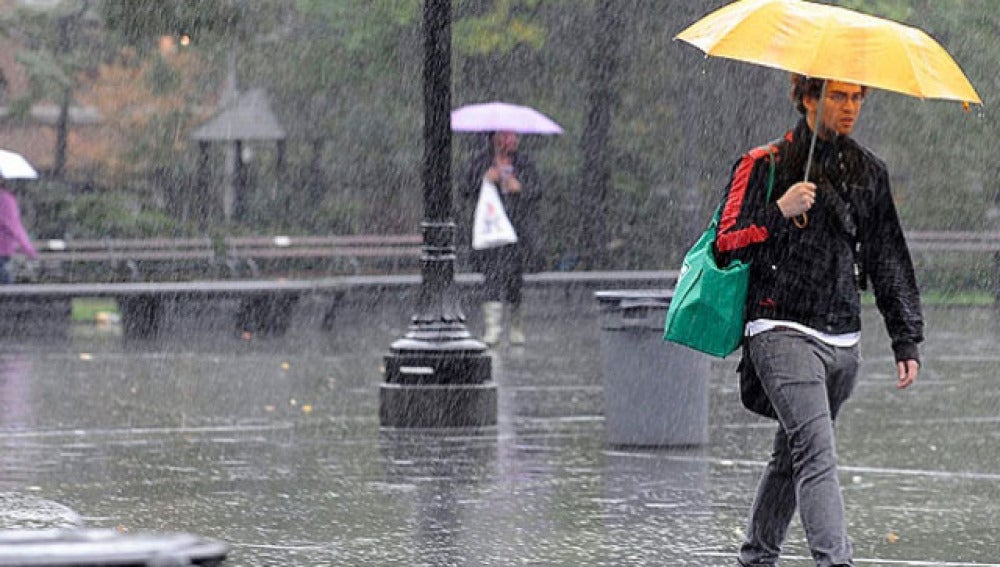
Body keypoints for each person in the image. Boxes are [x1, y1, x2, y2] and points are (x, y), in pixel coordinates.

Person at [714, 75, 924, 567]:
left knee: (792, 453)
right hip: (779, 329)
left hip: (842, 338)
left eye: (856, 97)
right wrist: (778, 212)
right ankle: (836, 561)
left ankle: (756, 554)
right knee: (816, 453)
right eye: (837, 96)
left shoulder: (868, 171)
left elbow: (887, 256)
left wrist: (906, 338)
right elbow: (725, 244)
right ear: (808, 98)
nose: (849, 107)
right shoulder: (765, 163)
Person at [462, 130, 542, 346]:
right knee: (492, 278)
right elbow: (466, 190)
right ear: (495, 138)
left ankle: (516, 327)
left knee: (514, 280)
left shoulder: (523, 163)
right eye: (508, 135)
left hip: (516, 232)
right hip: (491, 232)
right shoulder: (481, 162)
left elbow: (537, 191)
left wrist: (520, 188)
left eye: (515, 136)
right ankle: (493, 329)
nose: (513, 140)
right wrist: (485, 180)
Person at [0, 182, 37, 284]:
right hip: (3, 250)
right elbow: (14, 227)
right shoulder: (6, 200)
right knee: (6, 291)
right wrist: (28, 249)